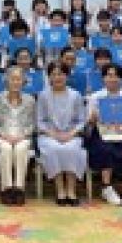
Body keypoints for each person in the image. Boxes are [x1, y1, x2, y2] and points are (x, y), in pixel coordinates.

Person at [86, 64, 122, 206]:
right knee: (105, 149)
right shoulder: (95, 97)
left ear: (121, 78)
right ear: (103, 78)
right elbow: (90, 122)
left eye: (116, 75)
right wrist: (93, 118)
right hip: (102, 131)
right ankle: (106, 187)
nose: (112, 79)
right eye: (109, 75)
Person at [36, 62, 87, 206]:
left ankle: (71, 189)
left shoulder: (75, 95)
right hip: (49, 134)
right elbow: (40, 121)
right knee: (54, 149)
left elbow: (81, 121)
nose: (57, 77)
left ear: (67, 75)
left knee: (72, 149)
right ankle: (60, 189)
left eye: (61, 74)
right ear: (49, 77)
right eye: (54, 74)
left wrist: (70, 134)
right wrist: (53, 134)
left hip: (72, 134)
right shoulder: (43, 96)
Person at [0, 66, 36, 206]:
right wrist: (4, 135)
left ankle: (19, 189)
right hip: (2, 136)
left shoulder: (30, 100)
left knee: (20, 149)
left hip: (23, 137)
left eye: (19, 79)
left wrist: (21, 136)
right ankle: (6, 189)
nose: (16, 82)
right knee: (5, 148)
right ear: (7, 81)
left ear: (23, 81)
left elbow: (33, 125)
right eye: (13, 79)